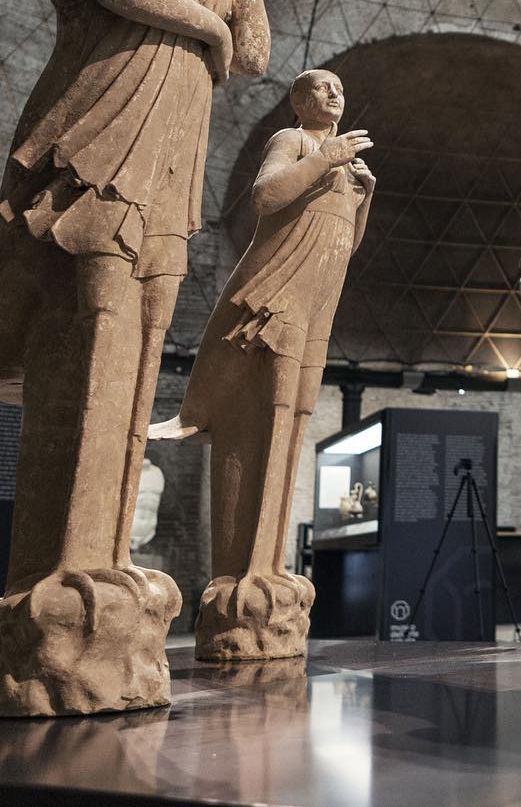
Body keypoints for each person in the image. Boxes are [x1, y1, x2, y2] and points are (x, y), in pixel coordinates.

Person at [0, 0, 269, 713]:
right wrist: (210, 31)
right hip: (101, 134)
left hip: (173, 158)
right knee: (98, 322)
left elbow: (256, 54)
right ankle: (60, 586)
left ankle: (104, 573)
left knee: (147, 335)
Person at [152, 69, 373, 659]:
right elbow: (267, 197)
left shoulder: (343, 166)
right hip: (276, 295)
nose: (335, 96)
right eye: (323, 89)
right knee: (266, 419)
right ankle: (242, 574)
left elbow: (344, 244)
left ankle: (269, 567)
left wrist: (364, 194)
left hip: (318, 301)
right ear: (300, 102)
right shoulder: (295, 142)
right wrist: (325, 157)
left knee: (296, 418)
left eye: (339, 90)